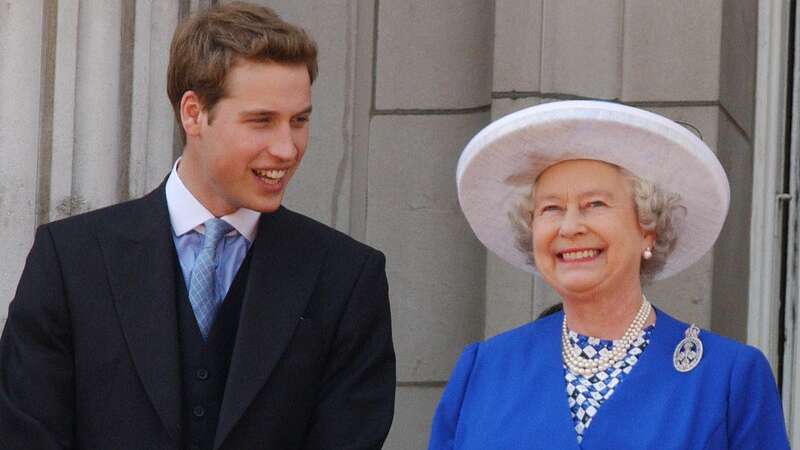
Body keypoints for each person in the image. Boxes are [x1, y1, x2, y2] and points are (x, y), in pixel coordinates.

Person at [0, 3, 395, 449]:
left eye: (299, 121)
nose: (287, 149)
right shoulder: (70, 261)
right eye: (261, 120)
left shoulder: (347, 277)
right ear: (193, 113)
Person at [428, 100, 789, 449]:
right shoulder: (484, 369)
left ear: (647, 227)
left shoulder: (727, 376)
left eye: (594, 205)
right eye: (551, 208)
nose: (569, 227)